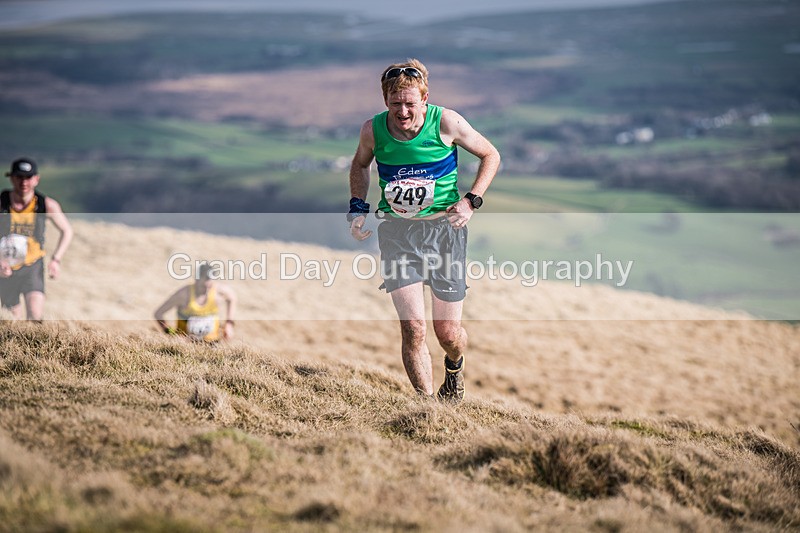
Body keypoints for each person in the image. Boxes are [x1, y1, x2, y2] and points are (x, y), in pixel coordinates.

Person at [348, 59, 500, 402]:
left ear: (425, 98)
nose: (402, 112)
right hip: (398, 234)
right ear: (385, 100)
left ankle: (455, 366)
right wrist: (357, 206)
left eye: (409, 104)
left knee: (447, 333)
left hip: (445, 233)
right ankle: (427, 406)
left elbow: (490, 155)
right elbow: (359, 164)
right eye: (395, 104)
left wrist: (471, 200)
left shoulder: (446, 122)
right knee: (414, 329)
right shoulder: (373, 129)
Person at [0, 157, 73, 321]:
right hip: (5, 268)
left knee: (35, 315)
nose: (24, 182)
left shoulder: (46, 205)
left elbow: (67, 231)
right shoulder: (2, 203)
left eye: (28, 177)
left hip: (32, 266)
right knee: (12, 319)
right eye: (19, 177)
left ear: (36, 179)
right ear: (11, 178)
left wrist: (56, 260)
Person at [154, 263, 237, 342]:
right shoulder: (184, 294)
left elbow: (232, 298)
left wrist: (229, 324)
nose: (207, 285)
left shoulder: (218, 291)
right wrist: (171, 333)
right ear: (196, 279)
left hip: (212, 343)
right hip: (186, 344)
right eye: (203, 283)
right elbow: (158, 313)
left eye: (210, 282)